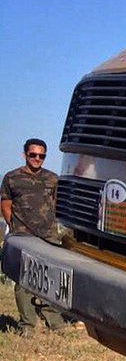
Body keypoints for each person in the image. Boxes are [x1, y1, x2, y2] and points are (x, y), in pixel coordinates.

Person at [1, 138, 68, 333]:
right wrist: (14, 226)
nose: (37, 158)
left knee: (52, 279)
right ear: (25, 155)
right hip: (23, 236)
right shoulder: (11, 178)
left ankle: (54, 320)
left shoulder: (52, 178)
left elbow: (56, 203)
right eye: (33, 155)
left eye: (41, 156)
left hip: (48, 235)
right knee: (24, 280)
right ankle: (27, 324)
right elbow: (6, 204)